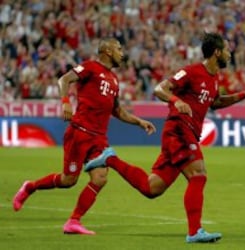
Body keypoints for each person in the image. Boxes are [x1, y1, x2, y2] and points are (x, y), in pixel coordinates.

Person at [83, 32, 245, 243]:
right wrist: (176, 100)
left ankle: (109, 159)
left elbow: (215, 103)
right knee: (198, 174)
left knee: (152, 188)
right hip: (179, 130)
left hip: (186, 133)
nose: (229, 54)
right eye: (225, 49)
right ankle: (194, 231)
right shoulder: (191, 72)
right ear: (217, 52)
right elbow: (160, 88)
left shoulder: (214, 79)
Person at [12, 37, 156, 235]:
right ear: (107, 51)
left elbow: (118, 111)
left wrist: (139, 122)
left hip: (99, 139)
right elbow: (64, 79)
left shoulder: (114, 80)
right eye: (119, 49)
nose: (122, 53)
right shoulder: (90, 67)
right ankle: (30, 187)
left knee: (100, 178)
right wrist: (65, 102)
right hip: (80, 133)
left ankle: (73, 221)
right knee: (68, 180)